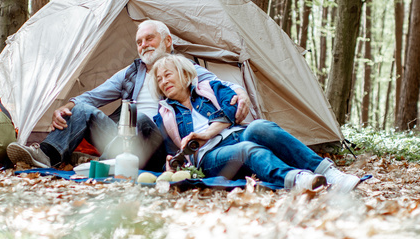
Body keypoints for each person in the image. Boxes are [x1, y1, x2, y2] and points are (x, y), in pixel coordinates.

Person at [6, 20, 250, 171]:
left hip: (159, 145)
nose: (144, 45)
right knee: (81, 109)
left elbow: (219, 84)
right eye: (139, 42)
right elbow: (93, 95)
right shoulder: (132, 72)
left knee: (141, 119)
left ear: (167, 41)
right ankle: (45, 156)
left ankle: (100, 165)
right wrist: (66, 107)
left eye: (149, 38)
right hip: (124, 138)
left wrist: (241, 93)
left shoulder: (182, 68)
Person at [152, 54, 360, 192]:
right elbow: (168, 152)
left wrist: (207, 132)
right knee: (247, 149)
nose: (164, 81)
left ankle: (329, 172)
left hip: (235, 133)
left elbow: (232, 110)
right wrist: (170, 163)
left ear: (184, 74)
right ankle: (297, 179)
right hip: (209, 156)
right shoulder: (164, 115)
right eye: (159, 79)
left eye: (168, 74)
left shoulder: (209, 87)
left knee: (260, 127)